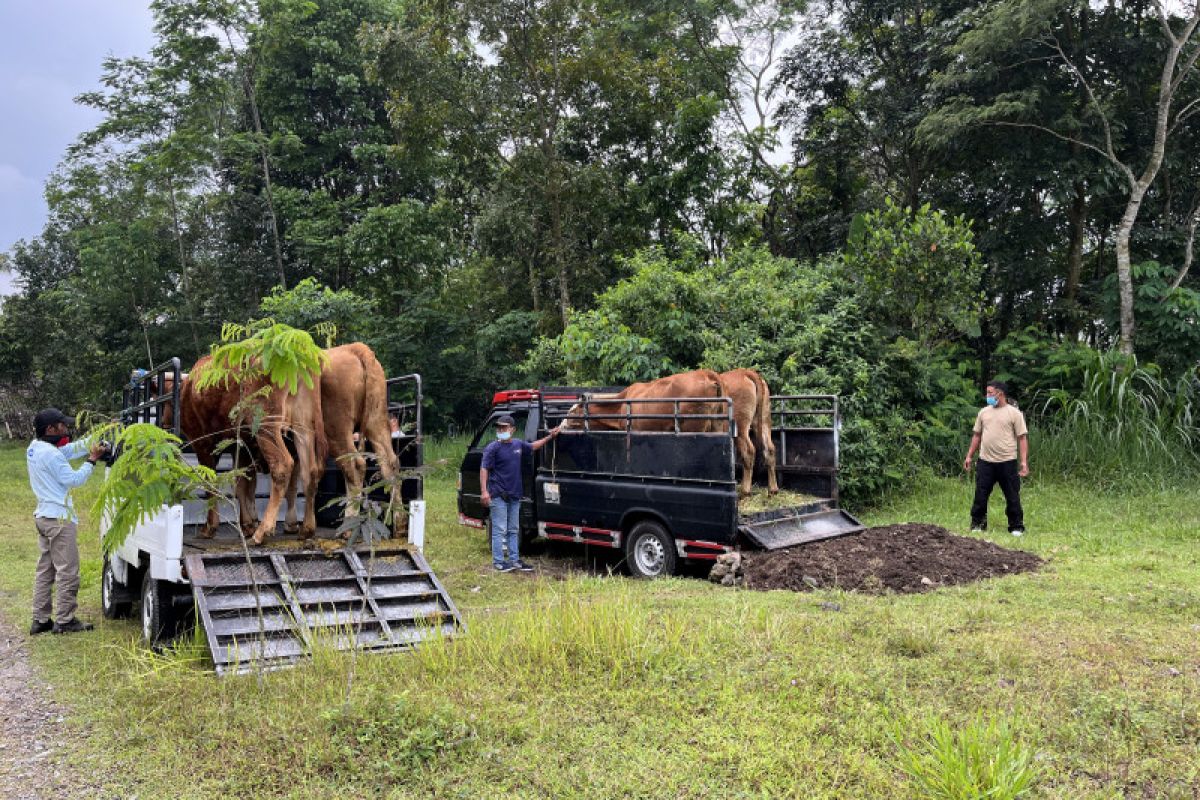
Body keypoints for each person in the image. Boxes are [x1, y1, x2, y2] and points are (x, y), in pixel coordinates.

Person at [26, 408, 108, 635]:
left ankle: (40, 619)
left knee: (46, 570)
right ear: (50, 429)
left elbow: (68, 450)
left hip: (43, 516)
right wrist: (92, 459)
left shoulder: (34, 448)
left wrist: (97, 436)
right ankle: (64, 620)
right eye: (62, 425)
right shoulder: (50, 454)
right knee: (68, 571)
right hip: (59, 519)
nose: (66, 428)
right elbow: (74, 479)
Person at [480, 414, 561, 572]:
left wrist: (550, 437)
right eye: (499, 428)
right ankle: (498, 562)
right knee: (499, 529)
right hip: (498, 495)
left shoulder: (517, 445)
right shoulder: (492, 448)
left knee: (513, 529)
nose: (501, 430)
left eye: (504, 427)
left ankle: (514, 560)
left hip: (514, 495)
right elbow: (484, 469)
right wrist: (484, 491)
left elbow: (533, 446)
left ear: (512, 429)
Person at [963, 381, 1029, 536]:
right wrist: (969, 456)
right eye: (987, 393)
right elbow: (977, 435)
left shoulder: (1014, 413)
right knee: (980, 494)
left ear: (1000, 394)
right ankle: (978, 524)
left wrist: (1024, 462)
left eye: (990, 393)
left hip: (1007, 462)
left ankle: (1016, 526)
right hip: (985, 462)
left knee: (1012, 495)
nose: (988, 396)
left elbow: (1022, 438)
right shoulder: (983, 412)